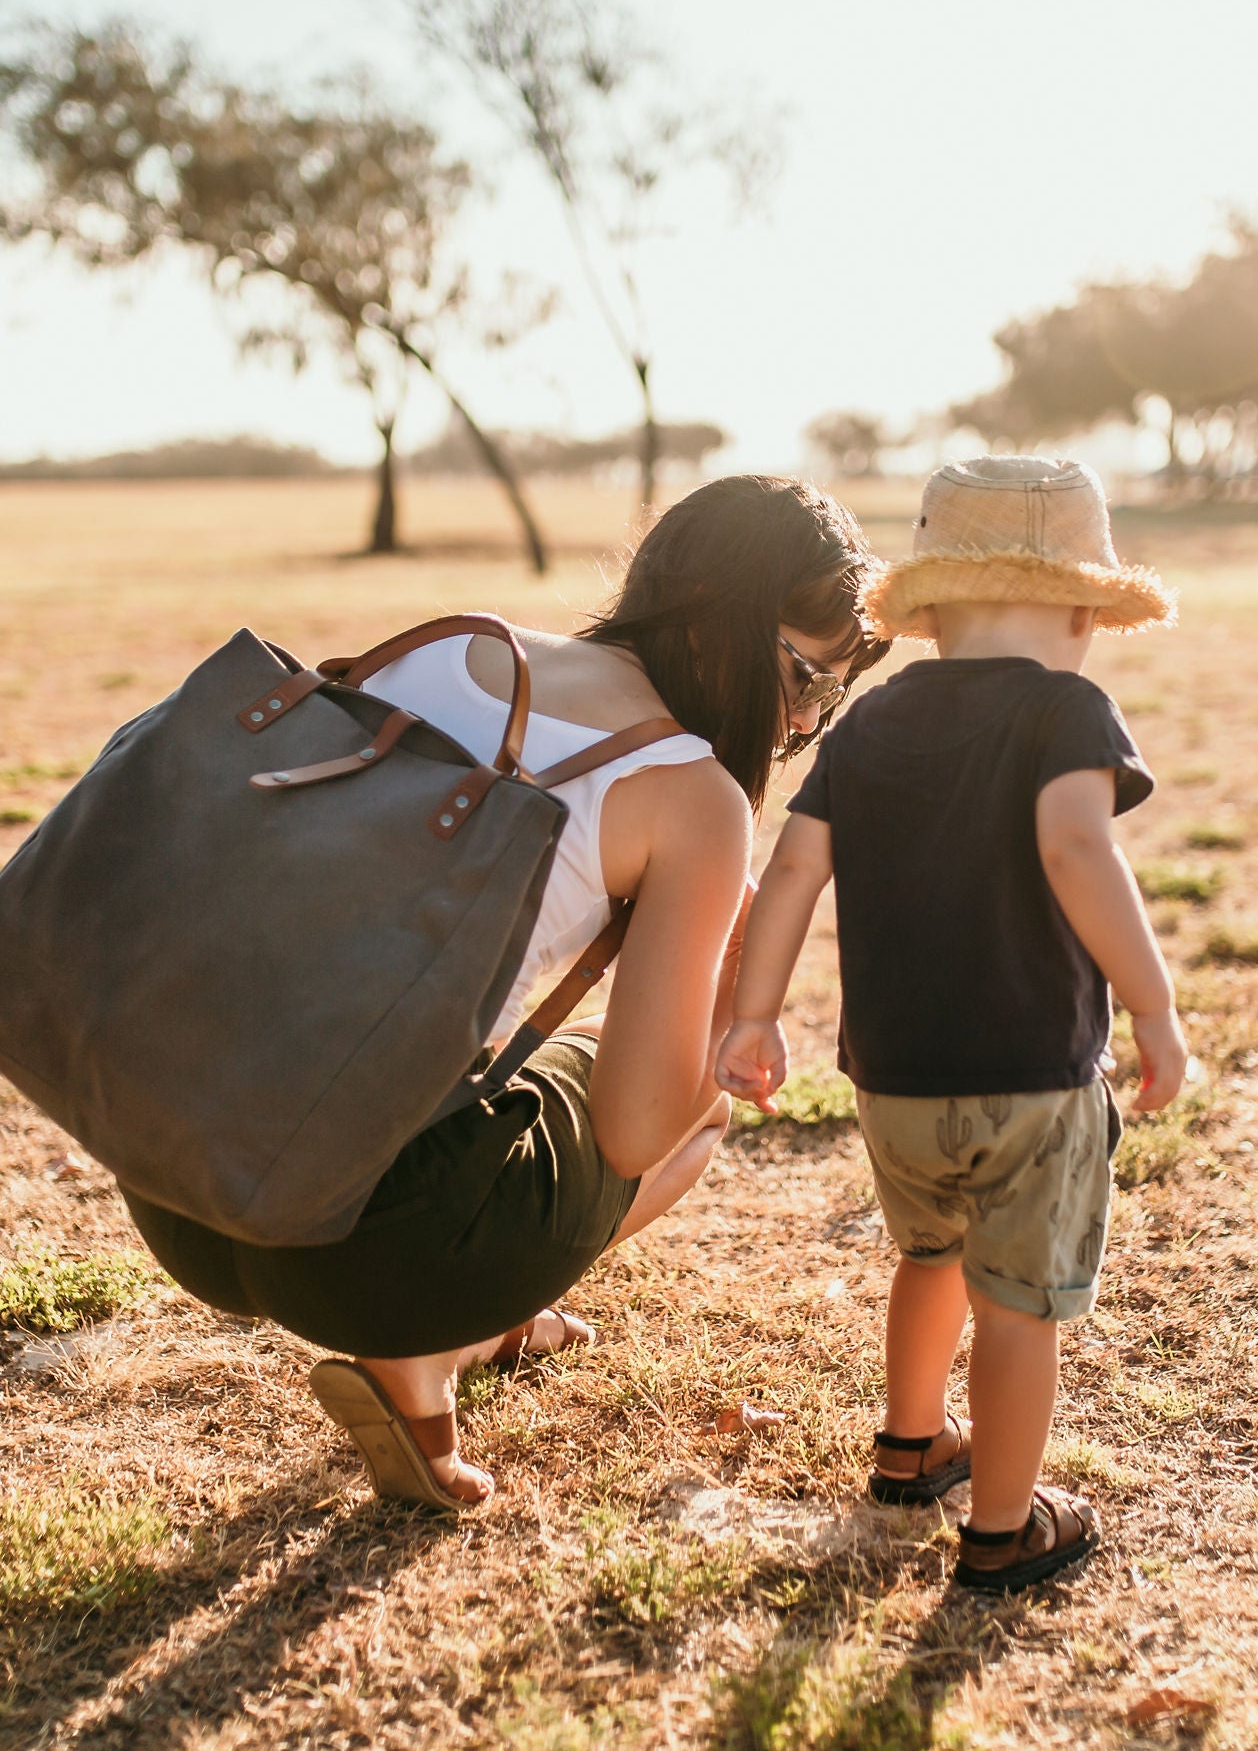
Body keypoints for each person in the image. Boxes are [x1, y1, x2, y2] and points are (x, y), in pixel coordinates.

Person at [122, 475, 889, 1511]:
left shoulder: (449, 646)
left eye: (829, 700)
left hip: (175, 1176)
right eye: (805, 679)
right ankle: (431, 1349)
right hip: (357, 1255)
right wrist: (728, 981)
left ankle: (490, 1327)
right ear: (722, 622)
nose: (802, 724)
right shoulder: (693, 796)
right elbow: (631, 1131)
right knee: (698, 1106)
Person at [715, 455, 1194, 1591]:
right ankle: (1001, 1526)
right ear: (1083, 609)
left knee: (926, 1254)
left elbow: (790, 872)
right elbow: (1078, 846)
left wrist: (754, 1016)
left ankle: (910, 1442)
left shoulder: (872, 723)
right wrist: (1154, 1005)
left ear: (928, 613)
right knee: (1019, 1306)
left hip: (892, 1081)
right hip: (1031, 1074)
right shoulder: (1066, 708)